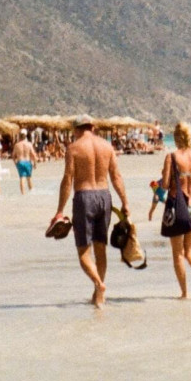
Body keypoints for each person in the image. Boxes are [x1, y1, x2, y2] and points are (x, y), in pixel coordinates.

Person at [47, 116, 130, 308]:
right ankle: (98, 297)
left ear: (76, 129)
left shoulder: (74, 148)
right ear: (92, 127)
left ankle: (99, 285)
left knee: (84, 251)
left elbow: (68, 180)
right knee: (101, 248)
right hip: (104, 196)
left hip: (84, 197)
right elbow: (116, 176)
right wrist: (125, 202)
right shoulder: (107, 147)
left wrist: (59, 210)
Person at [158, 122, 191, 299]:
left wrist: (169, 181)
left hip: (180, 209)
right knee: (189, 250)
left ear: (176, 137)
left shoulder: (171, 157)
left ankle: (184, 293)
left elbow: (165, 185)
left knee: (178, 253)